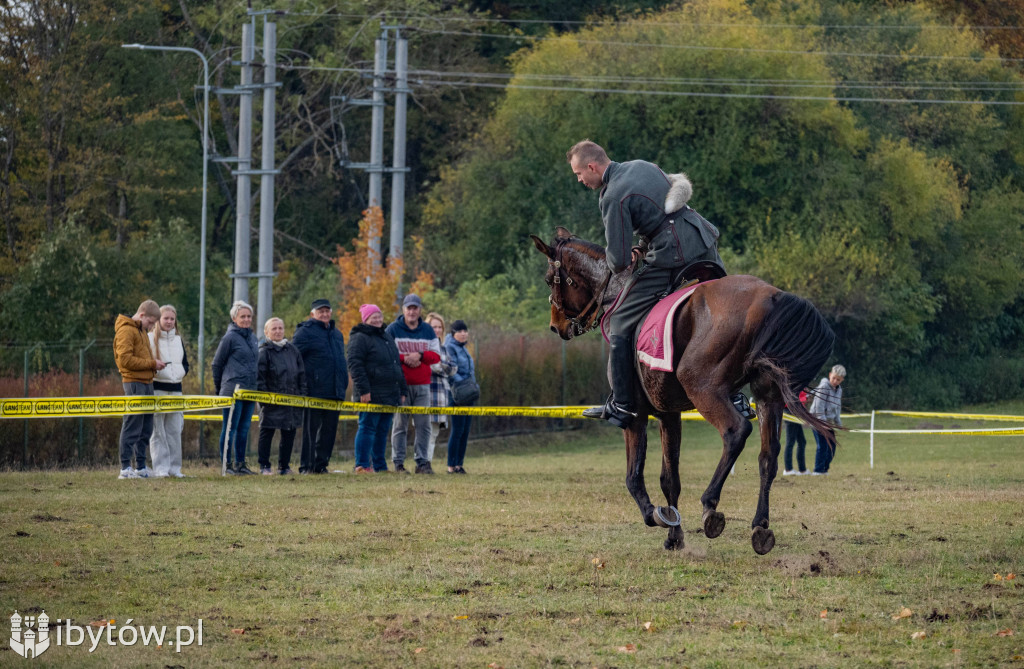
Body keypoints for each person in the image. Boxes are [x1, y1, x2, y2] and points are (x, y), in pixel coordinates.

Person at [566, 140, 741, 429]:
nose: (580, 180)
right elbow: (662, 209)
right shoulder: (641, 165)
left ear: (592, 166)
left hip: (673, 254)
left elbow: (619, 260)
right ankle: (735, 397)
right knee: (725, 321)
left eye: (578, 174)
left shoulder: (612, 196)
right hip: (703, 239)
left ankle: (622, 404)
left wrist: (628, 254)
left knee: (619, 322)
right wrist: (643, 243)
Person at [348, 304, 408, 473]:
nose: (377, 319)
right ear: (365, 319)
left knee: (382, 431)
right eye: (373, 316)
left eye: (379, 315)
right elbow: (355, 365)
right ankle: (362, 465)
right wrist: (364, 390)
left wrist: (402, 390)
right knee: (367, 428)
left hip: (389, 393)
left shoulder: (387, 337)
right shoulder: (359, 337)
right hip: (371, 394)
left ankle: (380, 466)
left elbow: (396, 365)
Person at [386, 294, 441, 474]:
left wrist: (420, 356)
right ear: (403, 310)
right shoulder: (393, 329)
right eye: (408, 308)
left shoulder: (427, 330)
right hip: (400, 385)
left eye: (415, 308)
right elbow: (387, 354)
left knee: (423, 425)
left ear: (419, 310)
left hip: (423, 385)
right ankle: (398, 463)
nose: (412, 311)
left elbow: (435, 355)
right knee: (400, 425)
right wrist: (406, 358)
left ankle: (422, 462)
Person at [293, 298, 348, 474]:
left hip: (335, 390)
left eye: (327, 311)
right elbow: (294, 358)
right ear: (312, 314)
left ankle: (321, 465)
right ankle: (306, 466)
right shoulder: (304, 332)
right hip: (314, 390)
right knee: (310, 431)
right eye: (320, 311)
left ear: (331, 312)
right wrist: (301, 386)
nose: (324, 314)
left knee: (329, 431)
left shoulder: (337, 334)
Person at [113, 299, 166, 479]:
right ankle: (125, 467)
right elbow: (124, 360)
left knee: (146, 427)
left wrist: (153, 366)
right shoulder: (126, 330)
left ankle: (141, 466)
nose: (151, 327)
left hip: (147, 381)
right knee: (132, 424)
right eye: (150, 322)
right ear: (142, 314)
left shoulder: (141, 330)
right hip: (133, 382)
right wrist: (152, 363)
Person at [212, 300, 259, 475]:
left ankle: (241, 464)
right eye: (243, 316)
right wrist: (221, 389)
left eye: (249, 316)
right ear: (234, 318)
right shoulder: (229, 337)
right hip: (233, 390)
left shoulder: (253, 338)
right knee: (230, 427)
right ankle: (227, 465)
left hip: (250, 390)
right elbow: (217, 364)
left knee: (244, 428)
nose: (246, 319)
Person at [256, 317, 306, 476]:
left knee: (289, 434)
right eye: (274, 329)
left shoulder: (293, 350)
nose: (278, 331)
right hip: (271, 401)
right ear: (267, 332)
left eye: (280, 328)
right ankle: (264, 466)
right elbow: (260, 378)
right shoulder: (264, 351)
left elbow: (301, 375)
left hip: (292, 400)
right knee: (267, 433)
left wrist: (302, 395)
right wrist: (265, 399)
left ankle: (284, 466)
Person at [148, 305, 189, 478]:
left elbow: (185, 363)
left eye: (172, 319)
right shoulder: (149, 338)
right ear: (158, 319)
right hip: (157, 388)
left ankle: (174, 468)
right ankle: (160, 468)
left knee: (174, 430)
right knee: (158, 432)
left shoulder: (178, 340)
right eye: (166, 318)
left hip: (176, 390)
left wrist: (180, 373)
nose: (169, 322)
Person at [445, 320, 476, 474]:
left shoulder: (464, 349)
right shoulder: (450, 347)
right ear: (453, 333)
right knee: (457, 430)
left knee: (465, 430)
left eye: (465, 330)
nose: (463, 334)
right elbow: (452, 371)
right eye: (460, 331)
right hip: (457, 395)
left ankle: (459, 464)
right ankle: (451, 465)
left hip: (468, 395)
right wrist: (463, 386)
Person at [426, 312, 458, 464]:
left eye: (440, 327)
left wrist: (440, 367)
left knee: (434, 432)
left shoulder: (444, 349)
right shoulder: (424, 347)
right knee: (425, 432)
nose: (437, 330)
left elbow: (453, 369)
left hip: (441, 395)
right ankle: (422, 462)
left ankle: (428, 463)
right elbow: (431, 367)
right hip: (427, 394)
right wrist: (442, 368)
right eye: (434, 327)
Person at [810, 364, 846, 475]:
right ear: (830, 375)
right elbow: (818, 406)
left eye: (838, 379)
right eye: (833, 378)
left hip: (828, 423)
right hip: (817, 421)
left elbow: (837, 407)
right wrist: (822, 423)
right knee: (823, 446)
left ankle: (825, 469)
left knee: (832, 447)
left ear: (842, 380)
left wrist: (838, 424)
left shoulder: (839, 390)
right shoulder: (824, 387)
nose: (835, 381)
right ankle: (818, 470)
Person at [782, 389, 809, 476]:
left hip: (796, 412)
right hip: (790, 412)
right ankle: (788, 469)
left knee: (802, 442)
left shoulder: (802, 384)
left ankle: (802, 470)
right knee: (790, 442)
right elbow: (797, 400)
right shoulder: (796, 383)